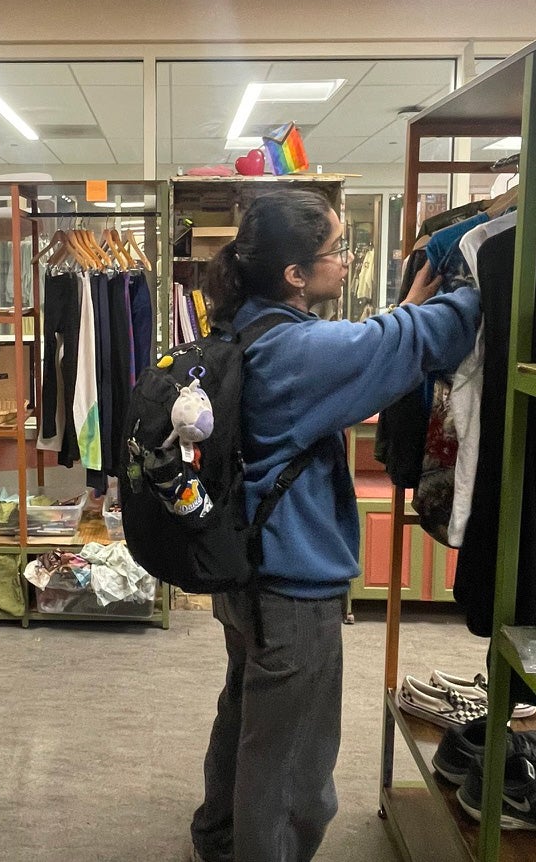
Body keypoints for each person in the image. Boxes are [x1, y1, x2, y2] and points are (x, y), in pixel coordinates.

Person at [189, 189, 481, 862]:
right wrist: (480, 269)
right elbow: (431, 334)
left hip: (245, 571)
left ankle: (220, 836)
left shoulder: (245, 328)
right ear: (296, 273)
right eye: (338, 250)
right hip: (292, 588)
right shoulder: (300, 351)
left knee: (247, 719)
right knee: (292, 760)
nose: (347, 262)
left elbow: (371, 346)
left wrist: (407, 308)